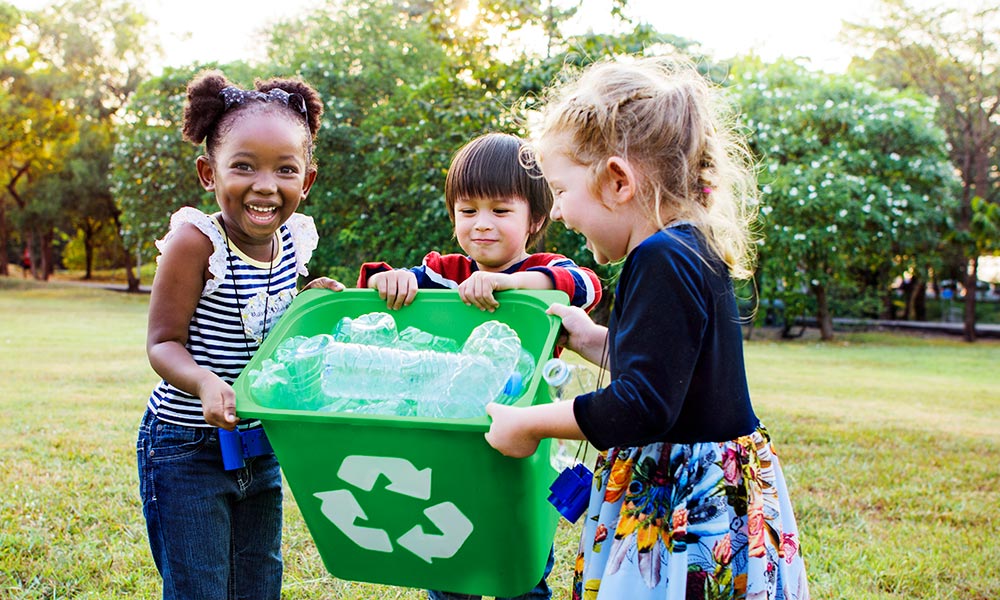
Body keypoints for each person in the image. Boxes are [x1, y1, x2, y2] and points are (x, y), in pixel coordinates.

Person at [484, 57, 810, 599]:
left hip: (684, 505)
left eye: (562, 192)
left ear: (618, 181)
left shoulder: (658, 257)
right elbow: (671, 369)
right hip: (717, 484)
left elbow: (643, 404)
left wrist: (529, 423)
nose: (559, 213)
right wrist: (588, 336)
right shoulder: (690, 245)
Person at [358, 132, 603, 600]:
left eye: (500, 210)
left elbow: (584, 284)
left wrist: (514, 283)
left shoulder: (544, 267)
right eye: (468, 211)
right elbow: (386, 284)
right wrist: (390, 280)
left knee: (518, 561)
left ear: (534, 218)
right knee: (448, 554)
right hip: (449, 433)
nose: (482, 225)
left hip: (523, 439)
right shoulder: (445, 273)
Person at [136, 70, 343, 600]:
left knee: (258, 581)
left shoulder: (293, 239)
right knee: (200, 587)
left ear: (308, 180)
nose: (265, 185)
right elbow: (163, 343)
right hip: (188, 448)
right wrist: (205, 384)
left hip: (261, 444)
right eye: (243, 167)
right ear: (210, 172)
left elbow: (267, 325)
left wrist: (309, 302)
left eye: (285, 170)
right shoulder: (195, 242)